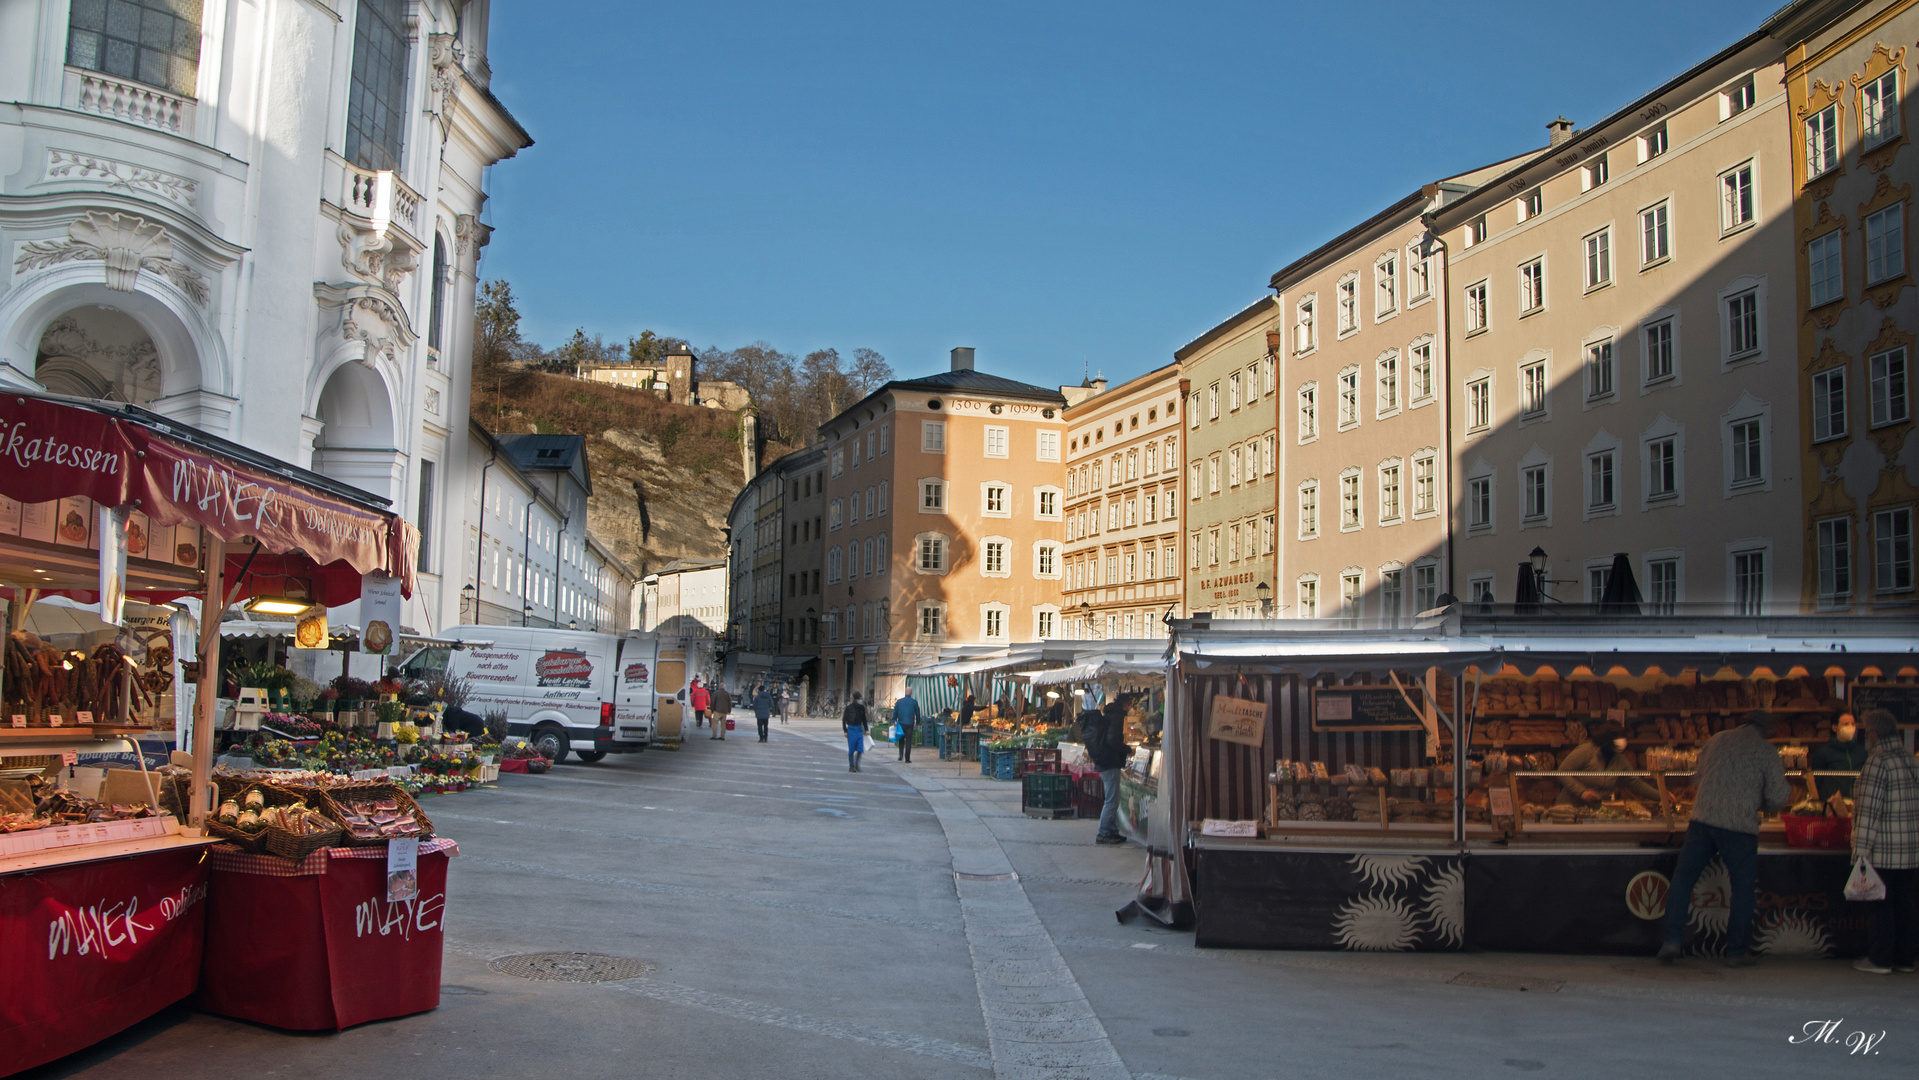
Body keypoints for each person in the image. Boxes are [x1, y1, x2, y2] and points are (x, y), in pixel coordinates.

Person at [1658, 711, 1791, 967]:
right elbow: (1778, 797)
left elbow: (1697, 777)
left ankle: (1672, 940)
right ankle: (1735, 952)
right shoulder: (1766, 751)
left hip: (1702, 819)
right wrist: (1757, 799)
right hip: (1739, 826)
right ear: (1768, 731)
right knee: (1742, 889)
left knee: (1683, 879)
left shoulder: (1717, 739)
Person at [1850, 709, 1919, 975]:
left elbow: (1868, 811)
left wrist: (1860, 853)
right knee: (1903, 901)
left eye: (1867, 732)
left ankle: (1879, 959)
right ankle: (1904, 958)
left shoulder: (1877, 763)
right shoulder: (1912, 761)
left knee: (1881, 905)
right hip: (1911, 850)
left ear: (1875, 734)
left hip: (1885, 850)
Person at [1555, 722, 1661, 805]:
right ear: (1607, 739)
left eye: (1623, 737)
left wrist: (1661, 795)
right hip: (1568, 808)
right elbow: (1562, 772)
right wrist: (1582, 792)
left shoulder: (1620, 760)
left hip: (1593, 813)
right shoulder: (1586, 751)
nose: (1622, 741)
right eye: (1618, 738)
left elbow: (1636, 784)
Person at [1084, 696, 1131, 844]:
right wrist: (1126, 749)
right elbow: (1112, 739)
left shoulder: (1109, 714)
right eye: (1130, 705)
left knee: (1112, 800)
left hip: (1104, 762)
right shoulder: (1117, 717)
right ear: (1126, 704)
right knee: (1111, 801)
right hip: (1110, 763)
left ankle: (1112, 831)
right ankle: (1104, 833)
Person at [1810, 713, 1869, 798]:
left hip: (1858, 803)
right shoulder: (1823, 753)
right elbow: (1816, 782)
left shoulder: (1862, 752)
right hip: (1833, 806)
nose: (1850, 727)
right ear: (1834, 727)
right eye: (1846, 724)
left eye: (1853, 724)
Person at [841, 692, 869, 773]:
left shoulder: (862, 708)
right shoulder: (849, 708)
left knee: (860, 748)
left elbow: (864, 719)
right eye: (859, 698)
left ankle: (857, 764)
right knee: (851, 748)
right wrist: (845, 731)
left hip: (859, 728)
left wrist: (866, 729)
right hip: (851, 728)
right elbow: (844, 720)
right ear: (856, 699)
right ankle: (851, 765)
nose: (861, 700)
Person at [894, 687, 921, 762]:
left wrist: (894, 720)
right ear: (911, 693)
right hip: (910, 724)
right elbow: (917, 713)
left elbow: (895, 711)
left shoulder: (899, 702)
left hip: (901, 723)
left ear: (905, 692)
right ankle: (907, 758)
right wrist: (918, 722)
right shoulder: (914, 702)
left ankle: (900, 755)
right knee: (908, 740)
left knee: (901, 739)